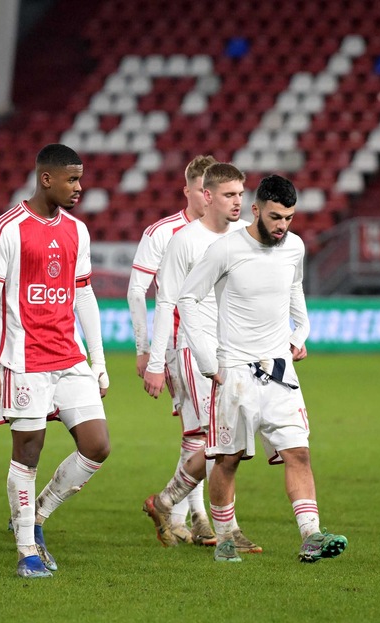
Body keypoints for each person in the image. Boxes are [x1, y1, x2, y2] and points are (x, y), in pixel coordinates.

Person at [177, 174, 348, 563]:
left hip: (280, 371)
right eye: (275, 217)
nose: (282, 226)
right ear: (256, 210)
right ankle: (224, 539)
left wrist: (300, 331)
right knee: (228, 459)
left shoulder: (294, 247)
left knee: (299, 453)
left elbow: (294, 289)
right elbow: (188, 298)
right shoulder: (226, 250)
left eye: (288, 218)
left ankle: (311, 535)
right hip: (234, 370)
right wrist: (206, 358)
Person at [0, 143, 111, 579]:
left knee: (96, 445)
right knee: (28, 454)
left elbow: (84, 294)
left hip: (69, 356)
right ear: (46, 178)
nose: (79, 187)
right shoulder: (6, 229)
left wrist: (99, 358)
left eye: (80, 178)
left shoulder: (77, 230)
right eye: (72, 179)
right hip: (25, 358)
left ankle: (36, 516)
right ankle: (26, 552)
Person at [139, 163, 260, 554]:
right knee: (218, 439)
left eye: (241, 194)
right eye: (230, 194)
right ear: (207, 196)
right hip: (195, 350)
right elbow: (165, 303)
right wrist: (156, 362)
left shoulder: (244, 236)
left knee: (217, 439)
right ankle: (227, 529)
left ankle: (166, 503)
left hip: (236, 351)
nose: (238, 201)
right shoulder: (183, 241)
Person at [127, 155, 217, 544]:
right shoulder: (163, 233)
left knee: (204, 433)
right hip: (177, 346)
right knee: (203, 433)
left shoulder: (227, 234)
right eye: (202, 190)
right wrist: (146, 350)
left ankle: (183, 515)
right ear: (189, 191)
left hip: (216, 345)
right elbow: (137, 291)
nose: (209, 197)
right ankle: (194, 516)